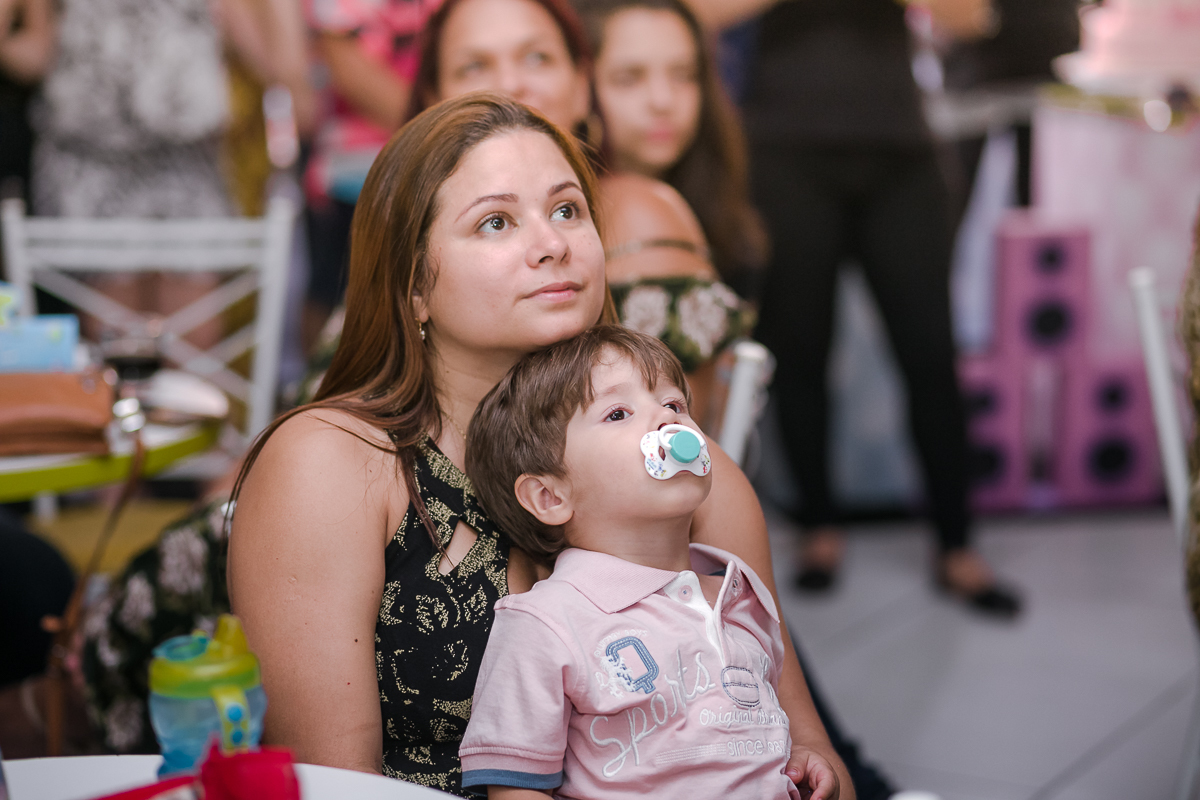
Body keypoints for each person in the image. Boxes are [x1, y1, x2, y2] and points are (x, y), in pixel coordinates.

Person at [227, 92, 850, 797]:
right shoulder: (333, 464)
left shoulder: (686, 472)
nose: (552, 243)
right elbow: (336, 787)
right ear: (413, 288)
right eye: (495, 222)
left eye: (566, 210)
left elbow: (807, 753)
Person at [684, 0, 1020, 616]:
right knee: (802, 349)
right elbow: (696, 12)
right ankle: (819, 526)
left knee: (930, 351)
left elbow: (973, 17)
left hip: (902, 151)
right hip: (786, 150)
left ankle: (957, 542)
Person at [460, 325, 834, 799]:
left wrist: (795, 758)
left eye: (675, 405)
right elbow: (516, 791)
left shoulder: (738, 596)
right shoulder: (546, 623)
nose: (666, 420)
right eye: (618, 413)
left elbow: (753, 744)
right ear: (550, 495)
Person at [576, 0, 767, 286]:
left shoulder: (723, 197)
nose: (663, 100)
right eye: (629, 79)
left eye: (683, 75)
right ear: (579, 87)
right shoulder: (569, 223)